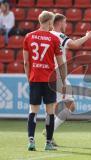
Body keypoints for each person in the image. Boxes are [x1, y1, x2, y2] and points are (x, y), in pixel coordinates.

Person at [42, 13, 91, 146]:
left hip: (48, 74)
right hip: (58, 75)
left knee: (57, 106)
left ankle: (49, 133)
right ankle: (49, 131)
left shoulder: (46, 36)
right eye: (65, 23)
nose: (66, 25)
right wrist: (87, 36)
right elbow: (75, 44)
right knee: (70, 105)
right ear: (59, 23)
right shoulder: (58, 35)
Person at [23, 11, 67, 151]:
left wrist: (28, 78)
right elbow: (61, 64)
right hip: (49, 80)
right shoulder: (54, 39)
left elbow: (25, 62)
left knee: (33, 110)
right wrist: (64, 81)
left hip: (35, 78)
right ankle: (48, 143)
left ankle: (31, 141)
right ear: (49, 22)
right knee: (49, 112)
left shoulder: (28, 37)